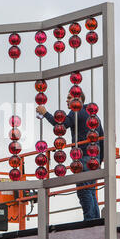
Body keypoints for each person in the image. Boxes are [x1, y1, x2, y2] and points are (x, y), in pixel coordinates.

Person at [36, 92, 104, 221]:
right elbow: (102, 138)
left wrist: (45, 113)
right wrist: (99, 161)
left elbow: (61, 126)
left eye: (69, 98)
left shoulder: (76, 110)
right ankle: (96, 220)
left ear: (78, 99)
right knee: (91, 190)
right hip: (94, 159)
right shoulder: (94, 116)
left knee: (84, 191)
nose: (66, 100)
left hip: (83, 158)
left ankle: (89, 221)